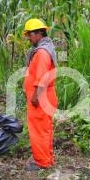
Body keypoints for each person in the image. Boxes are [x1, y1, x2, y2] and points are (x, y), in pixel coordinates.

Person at [23, 18, 58, 171]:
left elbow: (42, 77)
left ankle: (42, 162)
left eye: (30, 34)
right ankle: (47, 160)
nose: (29, 38)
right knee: (45, 129)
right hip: (45, 96)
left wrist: (36, 96)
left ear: (38, 34)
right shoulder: (45, 49)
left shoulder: (42, 53)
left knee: (39, 130)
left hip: (40, 97)